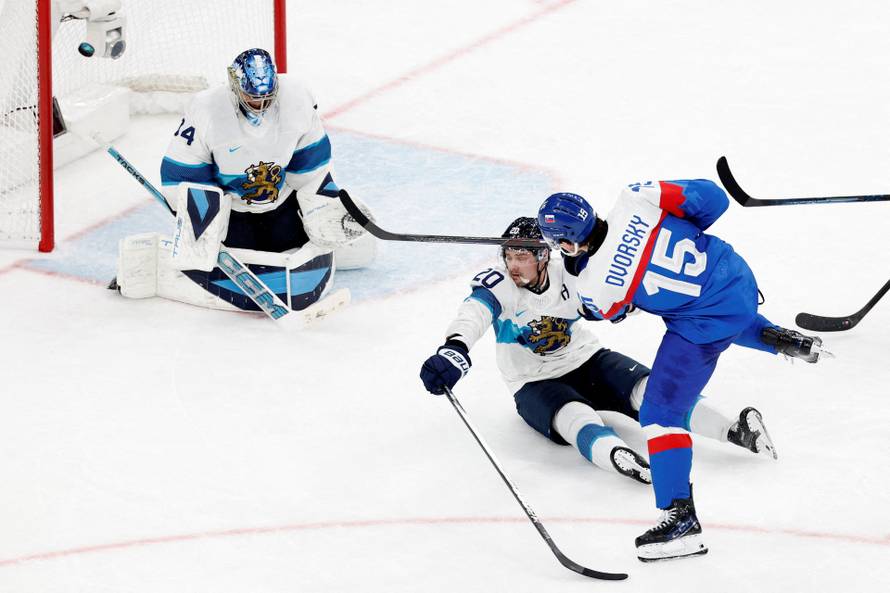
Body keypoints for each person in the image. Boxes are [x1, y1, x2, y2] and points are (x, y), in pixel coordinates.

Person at [536, 181, 830, 562]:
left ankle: (681, 520)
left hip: (703, 324)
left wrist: (576, 267)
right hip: (736, 279)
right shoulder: (635, 198)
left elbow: (606, 312)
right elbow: (713, 199)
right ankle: (780, 338)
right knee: (708, 305)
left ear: (568, 244)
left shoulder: (596, 281)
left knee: (659, 413)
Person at [419, 217, 779, 489]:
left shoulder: (571, 271)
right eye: (509, 255)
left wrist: (622, 305)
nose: (514, 265)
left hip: (588, 358)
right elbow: (474, 312)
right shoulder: (499, 283)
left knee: (653, 392)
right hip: (533, 381)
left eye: (522, 256)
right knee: (574, 415)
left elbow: (618, 292)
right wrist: (454, 348)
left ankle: (735, 430)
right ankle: (618, 457)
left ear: (543, 256)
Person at [112, 48, 375, 313]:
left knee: (288, 244)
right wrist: (203, 225)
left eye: (266, 97)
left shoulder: (296, 98)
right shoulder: (207, 109)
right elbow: (182, 172)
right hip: (234, 211)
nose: (260, 105)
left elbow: (311, 167)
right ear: (235, 86)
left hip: (280, 202)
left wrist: (321, 208)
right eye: (252, 97)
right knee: (241, 253)